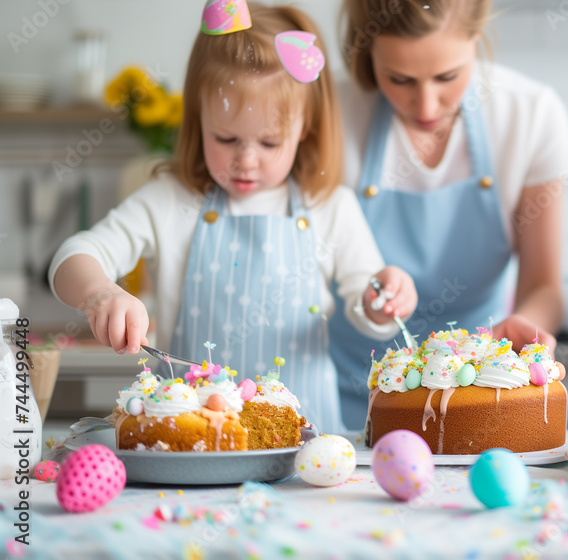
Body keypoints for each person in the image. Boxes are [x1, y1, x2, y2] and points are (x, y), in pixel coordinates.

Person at [47, 2, 417, 434]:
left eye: (268, 141)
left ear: (305, 128)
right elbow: (75, 254)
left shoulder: (330, 206)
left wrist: (381, 300)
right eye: (226, 138)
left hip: (304, 446)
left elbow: (364, 303)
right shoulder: (170, 201)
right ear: (198, 118)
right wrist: (98, 293)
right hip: (192, 444)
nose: (245, 160)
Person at [330, 0, 568, 429]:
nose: (426, 106)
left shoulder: (531, 114)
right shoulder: (330, 113)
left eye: (448, 77)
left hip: (474, 392)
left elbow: (544, 285)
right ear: (368, 57)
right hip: (343, 399)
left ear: (476, 42)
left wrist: (521, 334)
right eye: (399, 79)